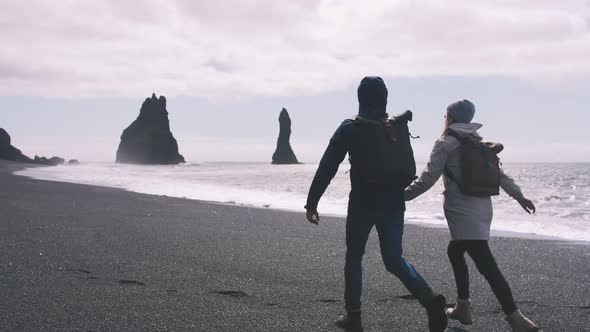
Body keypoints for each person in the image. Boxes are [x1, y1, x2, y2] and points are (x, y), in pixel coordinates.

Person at [305, 76, 448, 332]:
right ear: (385, 98)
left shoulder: (350, 127)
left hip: (363, 200)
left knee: (354, 255)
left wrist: (312, 202)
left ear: (360, 98)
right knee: (393, 259)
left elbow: (328, 166)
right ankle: (428, 298)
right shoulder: (396, 126)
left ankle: (354, 317)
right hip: (394, 200)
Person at [404, 100, 540, 332]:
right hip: (483, 210)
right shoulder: (479, 143)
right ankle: (463, 306)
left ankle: (516, 319)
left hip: (461, 211)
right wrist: (520, 197)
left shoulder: (445, 143)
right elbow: (501, 176)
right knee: (455, 250)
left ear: (449, 117)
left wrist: (400, 196)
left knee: (487, 266)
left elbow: (428, 178)